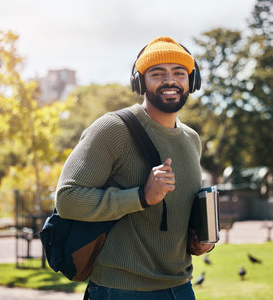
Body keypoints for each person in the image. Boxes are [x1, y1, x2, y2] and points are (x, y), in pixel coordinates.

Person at [55, 36, 214, 299]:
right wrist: (140, 196)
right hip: (122, 289)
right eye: (157, 73)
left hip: (181, 287)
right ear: (139, 82)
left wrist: (199, 244)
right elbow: (67, 199)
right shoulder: (112, 129)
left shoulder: (191, 139)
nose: (170, 80)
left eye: (179, 72)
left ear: (192, 81)